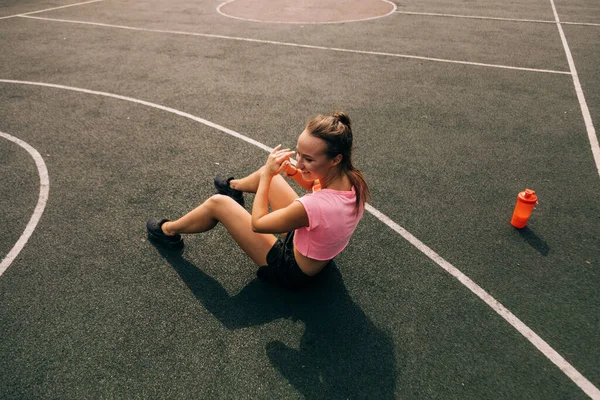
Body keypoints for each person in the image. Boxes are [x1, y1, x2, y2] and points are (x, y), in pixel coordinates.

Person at [146, 111, 370, 289]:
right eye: (299, 154)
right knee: (270, 175)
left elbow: (259, 223)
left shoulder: (315, 206)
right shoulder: (352, 178)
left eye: (309, 159)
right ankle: (234, 187)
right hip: (316, 252)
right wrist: (290, 172)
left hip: (291, 269)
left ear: (335, 159)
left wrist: (267, 177)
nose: (299, 162)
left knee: (218, 203)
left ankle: (168, 231)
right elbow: (314, 184)